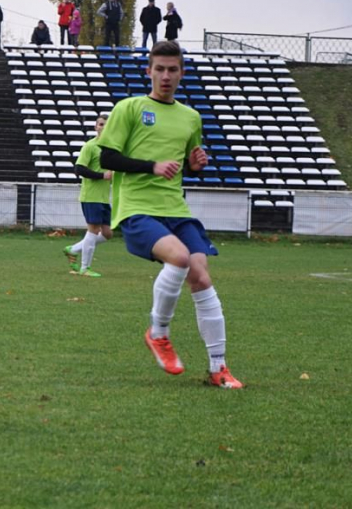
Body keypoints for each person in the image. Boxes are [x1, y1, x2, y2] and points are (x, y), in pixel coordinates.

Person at [97, 40, 243, 389]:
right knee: (178, 258)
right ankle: (158, 332)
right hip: (137, 209)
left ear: (181, 73)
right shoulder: (129, 108)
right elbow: (107, 160)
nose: (165, 76)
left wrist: (195, 166)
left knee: (202, 278)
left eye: (172, 69)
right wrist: (152, 166)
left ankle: (218, 368)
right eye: (159, 69)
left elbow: (185, 168)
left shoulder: (191, 117)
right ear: (148, 71)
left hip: (176, 210)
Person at [63, 114, 112, 278]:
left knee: (107, 233)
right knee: (93, 230)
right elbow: (79, 169)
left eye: (107, 125)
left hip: (104, 197)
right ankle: (85, 268)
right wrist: (102, 176)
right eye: (101, 124)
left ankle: (73, 249)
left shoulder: (112, 148)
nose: (103, 127)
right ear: (95, 127)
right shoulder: (90, 146)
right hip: (91, 195)